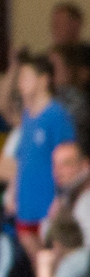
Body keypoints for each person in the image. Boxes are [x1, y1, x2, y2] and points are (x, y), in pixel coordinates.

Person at [0, 51, 77, 256]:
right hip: (26, 202)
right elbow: (22, 160)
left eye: (26, 78)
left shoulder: (56, 115)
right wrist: (13, 194)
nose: (21, 84)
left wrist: (60, 198)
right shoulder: (27, 116)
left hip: (48, 203)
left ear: (43, 80)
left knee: (51, 257)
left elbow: (69, 160)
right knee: (35, 259)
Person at [48, 2, 90, 158]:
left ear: (76, 24)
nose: (55, 27)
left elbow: (78, 79)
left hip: (85, 136)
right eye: (54, 23)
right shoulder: (50, 55)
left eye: (61, 23)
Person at [46, 141, 90, 250]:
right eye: (55, 165)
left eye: (66, 164)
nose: (58, 171)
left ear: (85, 164)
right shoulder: (67, 193)